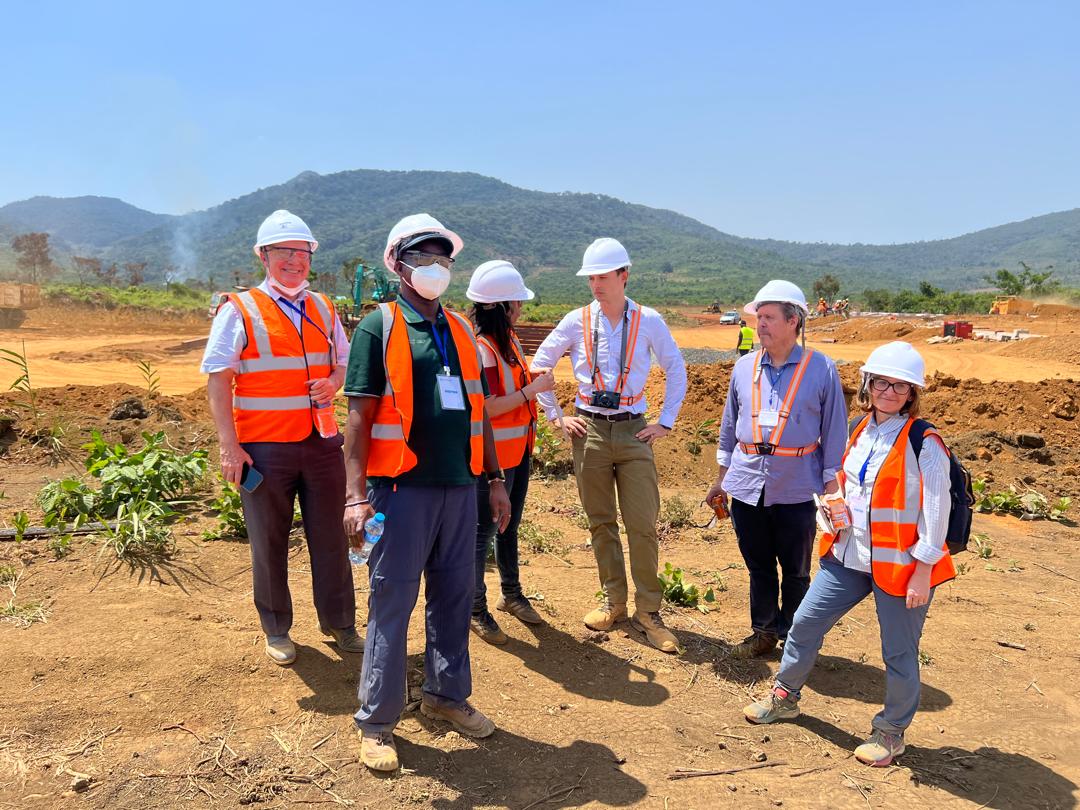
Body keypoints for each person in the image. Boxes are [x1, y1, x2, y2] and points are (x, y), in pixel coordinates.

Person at [342, 213, 511, 772]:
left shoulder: (462, 330)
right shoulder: (380, 326)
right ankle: (378, 722)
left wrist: (493, 481)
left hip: (459, 489)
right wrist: (355, 495)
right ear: (398, 264)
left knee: (455, 594)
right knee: (392, 599)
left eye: (443, 258)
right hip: (399, 489)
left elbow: (478, 414)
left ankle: (445, 696)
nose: (435, 267)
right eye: (423, 257)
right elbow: (359, 418)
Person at [743, 341, 954, 768]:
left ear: (912, 393)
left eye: (900, 386)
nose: (889, 391)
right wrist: (831, 510)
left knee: (897, 652)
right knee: (804, 623)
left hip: (901, 567)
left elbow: (937, 508)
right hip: (848, 557)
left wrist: (923, 571)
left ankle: (891, 733)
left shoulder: (924, 441)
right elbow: (847, 485)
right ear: (868, 385)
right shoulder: (860, 429)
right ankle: (785, 696)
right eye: (881, 382)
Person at [201, 209, 360, 666]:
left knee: (331, 536)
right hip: (265, 448)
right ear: (263, 256)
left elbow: (345, 364)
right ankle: (277, 627)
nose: (294, 260)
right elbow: (217, 379)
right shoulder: (240, 309)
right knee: (268, 540)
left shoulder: (325, 307)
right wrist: (229, 447)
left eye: (302, 252)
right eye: (283, 252)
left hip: (321, 442)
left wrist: (333, 382)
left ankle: (340, 624)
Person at [532, 238, 687, 653]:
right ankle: (614, 601)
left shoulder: (649, 320)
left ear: (624, 276)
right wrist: (556, 415)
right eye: (591, 278)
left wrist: (665, 422)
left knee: (642, 523)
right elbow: (540, 365)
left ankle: (649, 611)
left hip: (635, 430)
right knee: (601, 522)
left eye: (603, 276)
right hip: (590, 432)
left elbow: (676, 368)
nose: (596, 285)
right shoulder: (576, 320)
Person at [706, 280, 847, 658]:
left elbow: (834, 432)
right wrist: (720, 482)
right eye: (759, 318)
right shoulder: (743, 367)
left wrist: (833, 488)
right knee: (759, 565)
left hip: (798, 486)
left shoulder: (821, 370)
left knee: (797, 569)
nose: (760, 325)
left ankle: (795, 638)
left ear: (793, 321)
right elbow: (727, 429)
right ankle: (764, 632)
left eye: (768, 318)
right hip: (748, 481)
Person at [465, 261, 556, 645]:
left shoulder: (511, 343)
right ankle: (474, 608)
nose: (520, 308)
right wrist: (530, 393)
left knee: (509, 526)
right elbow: (484, 407)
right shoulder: (482, 350)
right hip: (492, 461)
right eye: (516, 302)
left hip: (518, 452)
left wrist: (528, 385)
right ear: (501, 307)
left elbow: (512, 390)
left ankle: (511, 594)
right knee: (482, 533)